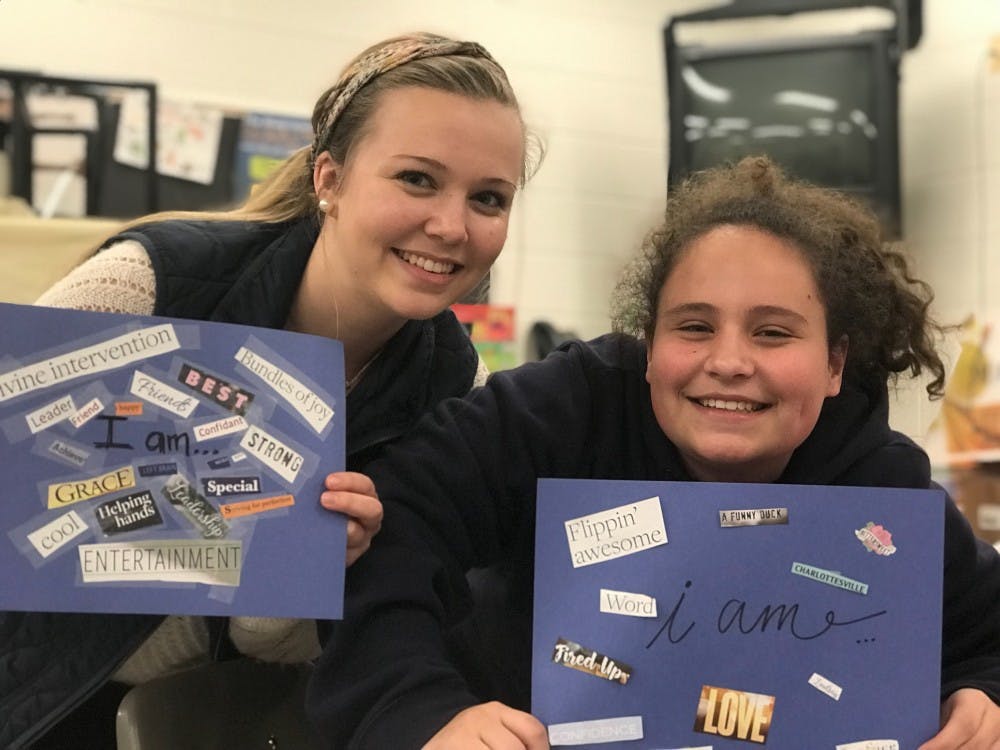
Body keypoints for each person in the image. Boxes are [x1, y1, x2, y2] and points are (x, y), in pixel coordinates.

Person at [307, 156, 1000, 749]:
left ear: (834, 364)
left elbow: (986, 633)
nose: (728, 361)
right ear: (648, 345)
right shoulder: (562, 415)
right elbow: (393, 528)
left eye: (773, 333)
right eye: (694, 326)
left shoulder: (882, 492)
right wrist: (425, 713)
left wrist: (984, 697)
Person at [3, 31, 536, 749]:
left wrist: (304, 565)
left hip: (219, 718)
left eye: (489, 198)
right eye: (416, 179)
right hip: (40, 699)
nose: (451, 226)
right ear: (330, 180)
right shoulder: (152, 284)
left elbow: (279, 647)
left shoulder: (453, 387)